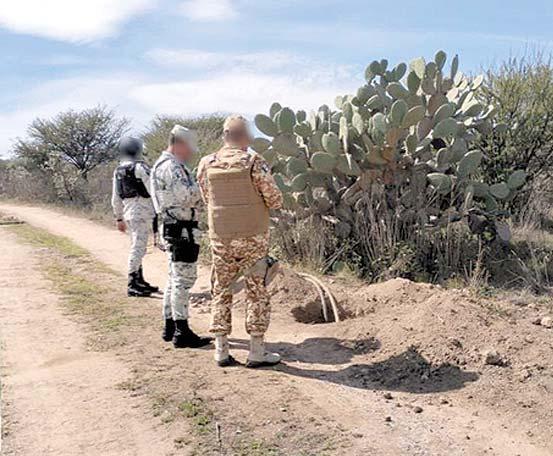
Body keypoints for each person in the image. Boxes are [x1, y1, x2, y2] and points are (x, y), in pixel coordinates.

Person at [197, 115, 283, 368]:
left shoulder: (206, 163)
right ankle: (256, 351)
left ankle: (221, 350)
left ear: (224, 136)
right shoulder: (255, 161)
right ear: (246, 137)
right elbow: (275, 199)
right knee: (257, 291)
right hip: (252, 237)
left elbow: (207, 198)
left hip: (221, 238)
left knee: (221, 289)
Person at [150, 125, 211, 348]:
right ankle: (181, 330)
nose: (191, 152)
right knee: (183, 281)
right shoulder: (171, 167)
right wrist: (204, 186)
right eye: (188, 147)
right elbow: (186, 196)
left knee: (174, 278)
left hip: (174, 228)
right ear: (178, 144)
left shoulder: (163, 165)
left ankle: (170, 326)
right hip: (181, 230)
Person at [111, 136, 159, 297]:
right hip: (142, 212)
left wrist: (119, 217)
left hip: (129, 212)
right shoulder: (140, 167)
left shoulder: (118, 170)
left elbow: (116, 197)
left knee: (136, 246)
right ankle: (132, 283)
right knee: (138, 248)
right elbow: (153, 190)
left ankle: (139, 280)